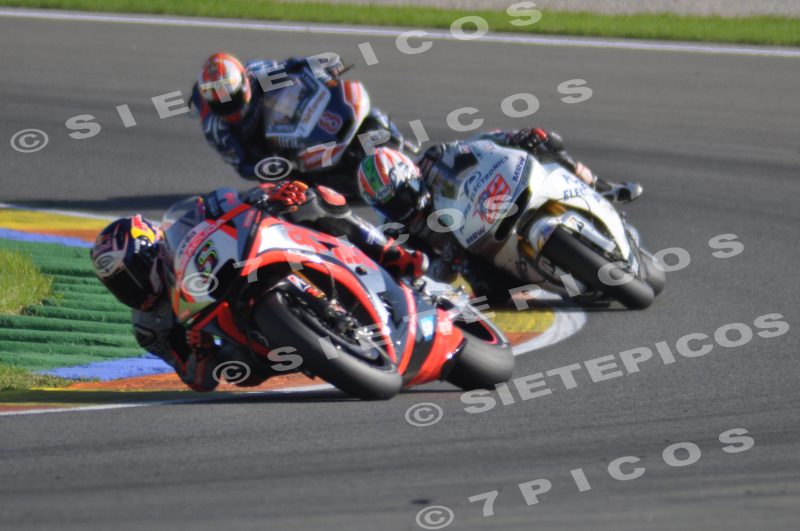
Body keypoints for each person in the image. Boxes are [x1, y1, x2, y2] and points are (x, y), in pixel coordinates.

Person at [90, 183, 427, 392]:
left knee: (316, 198)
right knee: (237, 371)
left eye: (131, 274)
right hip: (249, 347)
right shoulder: (148, 327)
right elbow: (197, 380)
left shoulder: (182, 236)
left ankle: (391, 253)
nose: (131, 290)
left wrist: (270, 195)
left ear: (153, 252)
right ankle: (320, 347)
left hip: (242, 266)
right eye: (119, 284)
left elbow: (230, 203)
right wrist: (203, 353)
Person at [356, 128, 643, 302]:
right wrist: (446, 265)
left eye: (400, 196)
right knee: (489, 293)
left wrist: (514, 137)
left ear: (410, 176)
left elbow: (479, 144)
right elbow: (425, 271)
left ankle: (604, 188)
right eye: (390, 205)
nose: (399, 207)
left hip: (490, 202)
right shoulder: (397, 231)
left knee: (547, 144)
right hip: (475, 250)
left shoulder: (434, 160)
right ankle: (551, 281)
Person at [189, 52, 346, 180]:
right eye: (221, 105)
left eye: (232, 98)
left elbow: (293, 66)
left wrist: (322, 65)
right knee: (287, 184)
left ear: (244, 84)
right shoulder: (216, 129)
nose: (229, 107)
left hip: (278, 117)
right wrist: (268, 166)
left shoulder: (259, 77)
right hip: (262, 149)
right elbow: (242, 166)